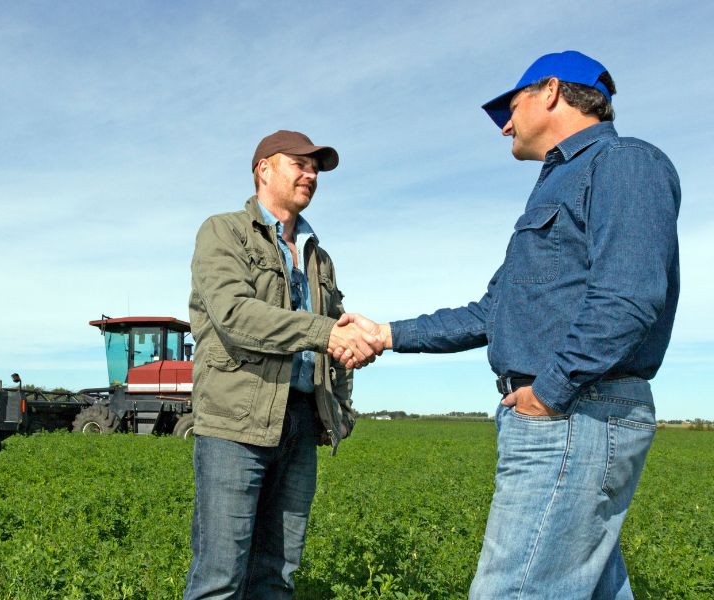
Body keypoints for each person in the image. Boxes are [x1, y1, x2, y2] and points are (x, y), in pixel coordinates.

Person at [334, 51, 681, 598]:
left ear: (549, 91)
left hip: (576, 414)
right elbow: (489, 313)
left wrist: (549, 392)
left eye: (509, 105)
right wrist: (387, 334)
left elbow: (629, 298)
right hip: (571, 415)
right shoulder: (555, 185)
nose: (504, 126)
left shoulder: (624, 163)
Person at [184, 130, 382, 600]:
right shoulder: (224, 231)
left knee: (277, 576)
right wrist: (328, 333)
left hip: (299, 421)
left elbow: (332, 333)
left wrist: (346, 383)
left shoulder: (319, 256)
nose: (311, 174)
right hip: (236, 423)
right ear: (264, 169)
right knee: (220, 577)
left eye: (316, 168)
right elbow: (235, 316)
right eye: (300, 163)